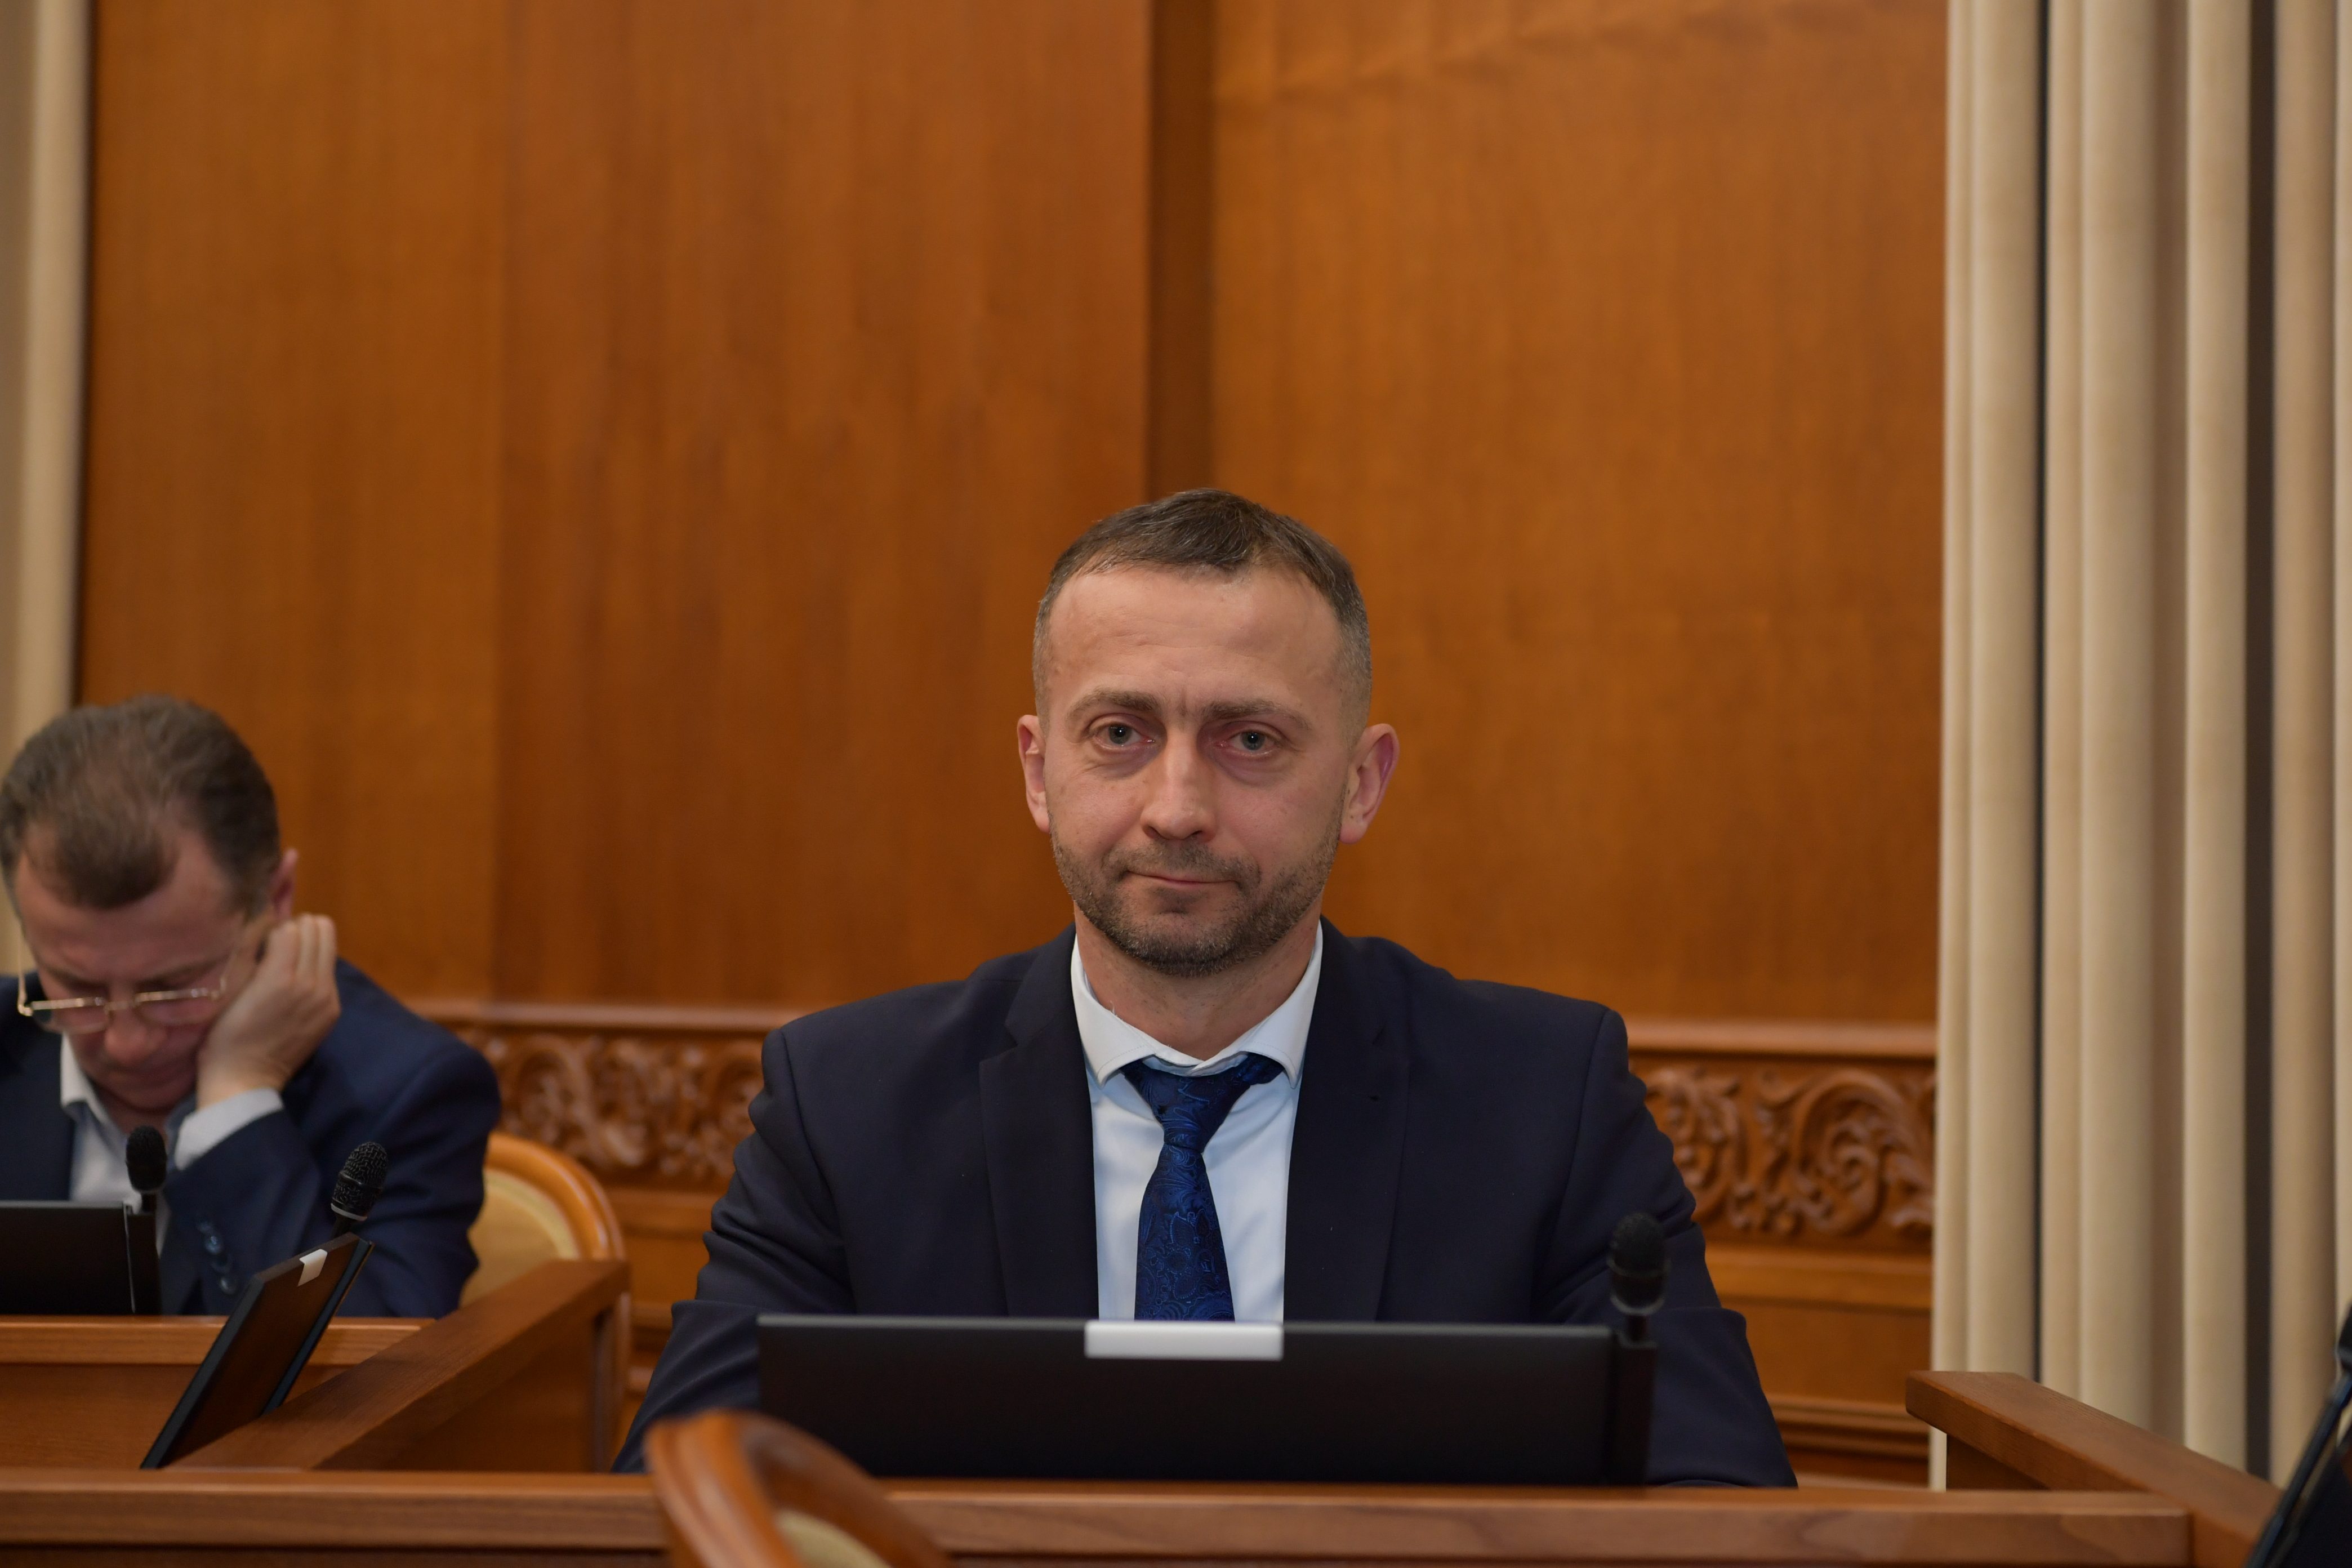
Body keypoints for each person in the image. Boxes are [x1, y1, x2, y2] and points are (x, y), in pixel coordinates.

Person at [620, 489, 1792, 1485]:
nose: (1177, 808)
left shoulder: (1544, 1100)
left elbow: (1718, 1497)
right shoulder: (846, 1105)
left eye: (1251, 741)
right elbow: (677, 1498)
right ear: (1039, 769)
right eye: (1119, 733)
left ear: (1362, 782)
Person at [0, 694, 500, 1315]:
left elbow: (368, 1367)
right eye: (80, 987)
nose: (127, 1043)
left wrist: (238, 1104)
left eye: (175, 987)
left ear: (277, 898)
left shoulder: (405, 1095)